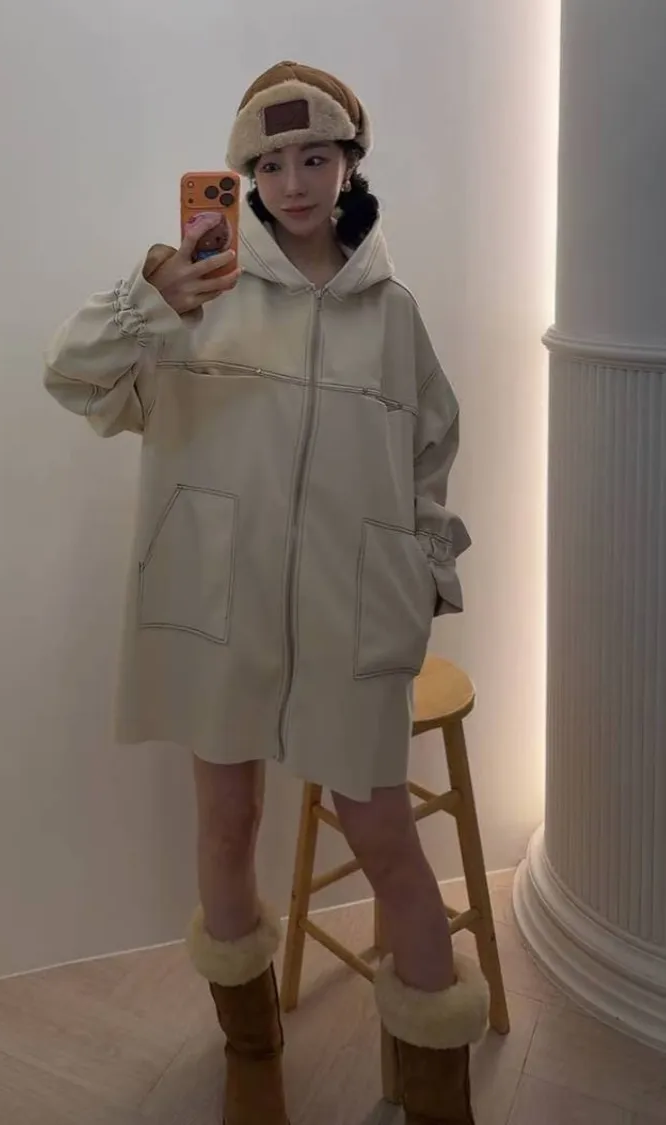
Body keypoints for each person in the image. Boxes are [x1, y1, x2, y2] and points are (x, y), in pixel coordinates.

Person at [44, 60, 488, 1125]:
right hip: (222, 604)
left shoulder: (394, 314)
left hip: (350, 614)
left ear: (348, 166)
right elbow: (73, 376)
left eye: (315, 157)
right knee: (228, 817)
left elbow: (432, 458)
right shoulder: (198, 297)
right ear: (244, 176)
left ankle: (438, 1093)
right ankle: (253, 1052)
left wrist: (420, 579)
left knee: (385, 837)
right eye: (272, 162)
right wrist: (151, 299)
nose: (293, 182)